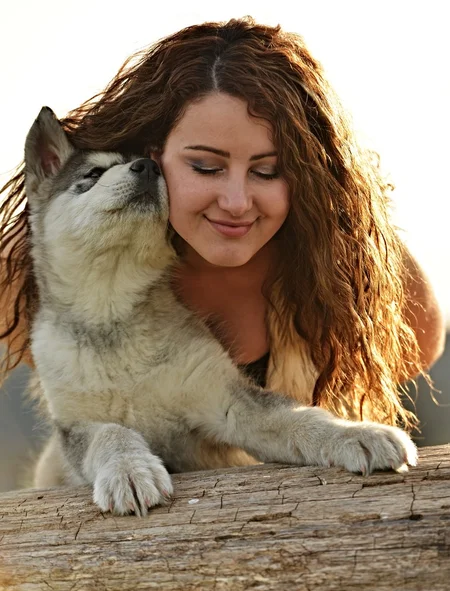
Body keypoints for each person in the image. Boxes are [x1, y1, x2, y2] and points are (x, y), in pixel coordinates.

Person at [0, 17, 445, 432]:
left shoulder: (359, 269)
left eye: (267, 171)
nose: (236, 202)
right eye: (206, 166)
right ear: (153, 155)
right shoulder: (29, 271)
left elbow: (421, 345)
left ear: (305, 176)